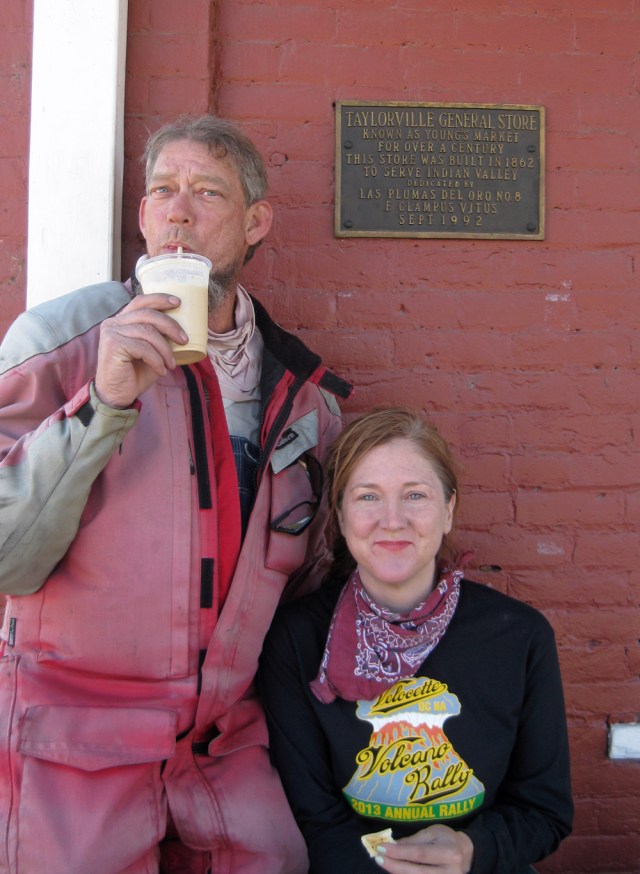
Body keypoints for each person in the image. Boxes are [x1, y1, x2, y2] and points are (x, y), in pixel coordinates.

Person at [0, 114, 352, 874]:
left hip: (224, 744)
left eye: (207, 192)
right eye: (162, 190)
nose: (179, 211)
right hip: (73, 738)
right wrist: (103, 398)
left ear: (256, 221)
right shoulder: (59, 340)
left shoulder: (306, 397)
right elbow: (6, 559)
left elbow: (310, 589)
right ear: (142, 217)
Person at [259, 407, 573, 874]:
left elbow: (544, 811)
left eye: (415, 496)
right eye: (368, 496)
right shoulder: (297, 640)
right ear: (340, 517)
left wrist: (472, 851)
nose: (392, 520)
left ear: (448, 510)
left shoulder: (519, 636)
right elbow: (313, 818)